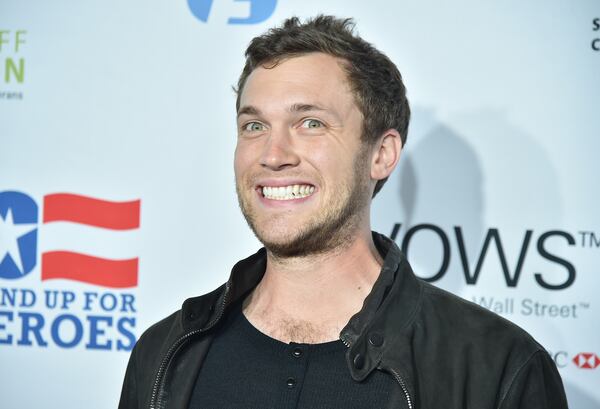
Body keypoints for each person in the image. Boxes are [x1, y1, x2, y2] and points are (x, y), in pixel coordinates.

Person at [118, 15, 568, 409]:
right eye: (254, 125)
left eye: (310, 123)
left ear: (382, 154)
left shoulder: (500, 367)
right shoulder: (166, 353)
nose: (273, 155)